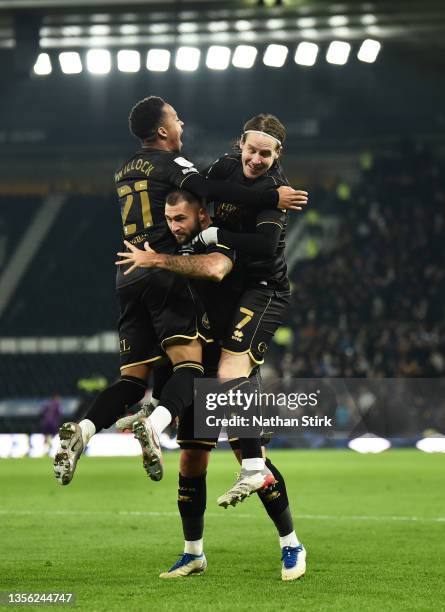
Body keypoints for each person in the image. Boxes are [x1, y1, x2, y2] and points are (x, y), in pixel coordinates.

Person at [53, 97, 307, 486]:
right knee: (190, 367)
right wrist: (269, 199)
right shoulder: (175, 165)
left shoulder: (123, 168)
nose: (182, 123)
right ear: (162, 130)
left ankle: (85, 429)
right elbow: (208, 188)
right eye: (176, 118)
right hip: (163, 268)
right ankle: (157, 424)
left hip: (128, 271)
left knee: (131, 380)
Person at [116, 115, 307, 580]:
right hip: (216, 320)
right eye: (252, 150)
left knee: (245, 447)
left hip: (261, 294)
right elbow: (203, 189)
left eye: (266, 153)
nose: (257, 159)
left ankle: (292, 544)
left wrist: (209, 237)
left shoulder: (272, 198)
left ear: (277, 155)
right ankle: (194, 552)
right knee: (193, 454)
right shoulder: (222, 175)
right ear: (239, 145)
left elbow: (253, 251)